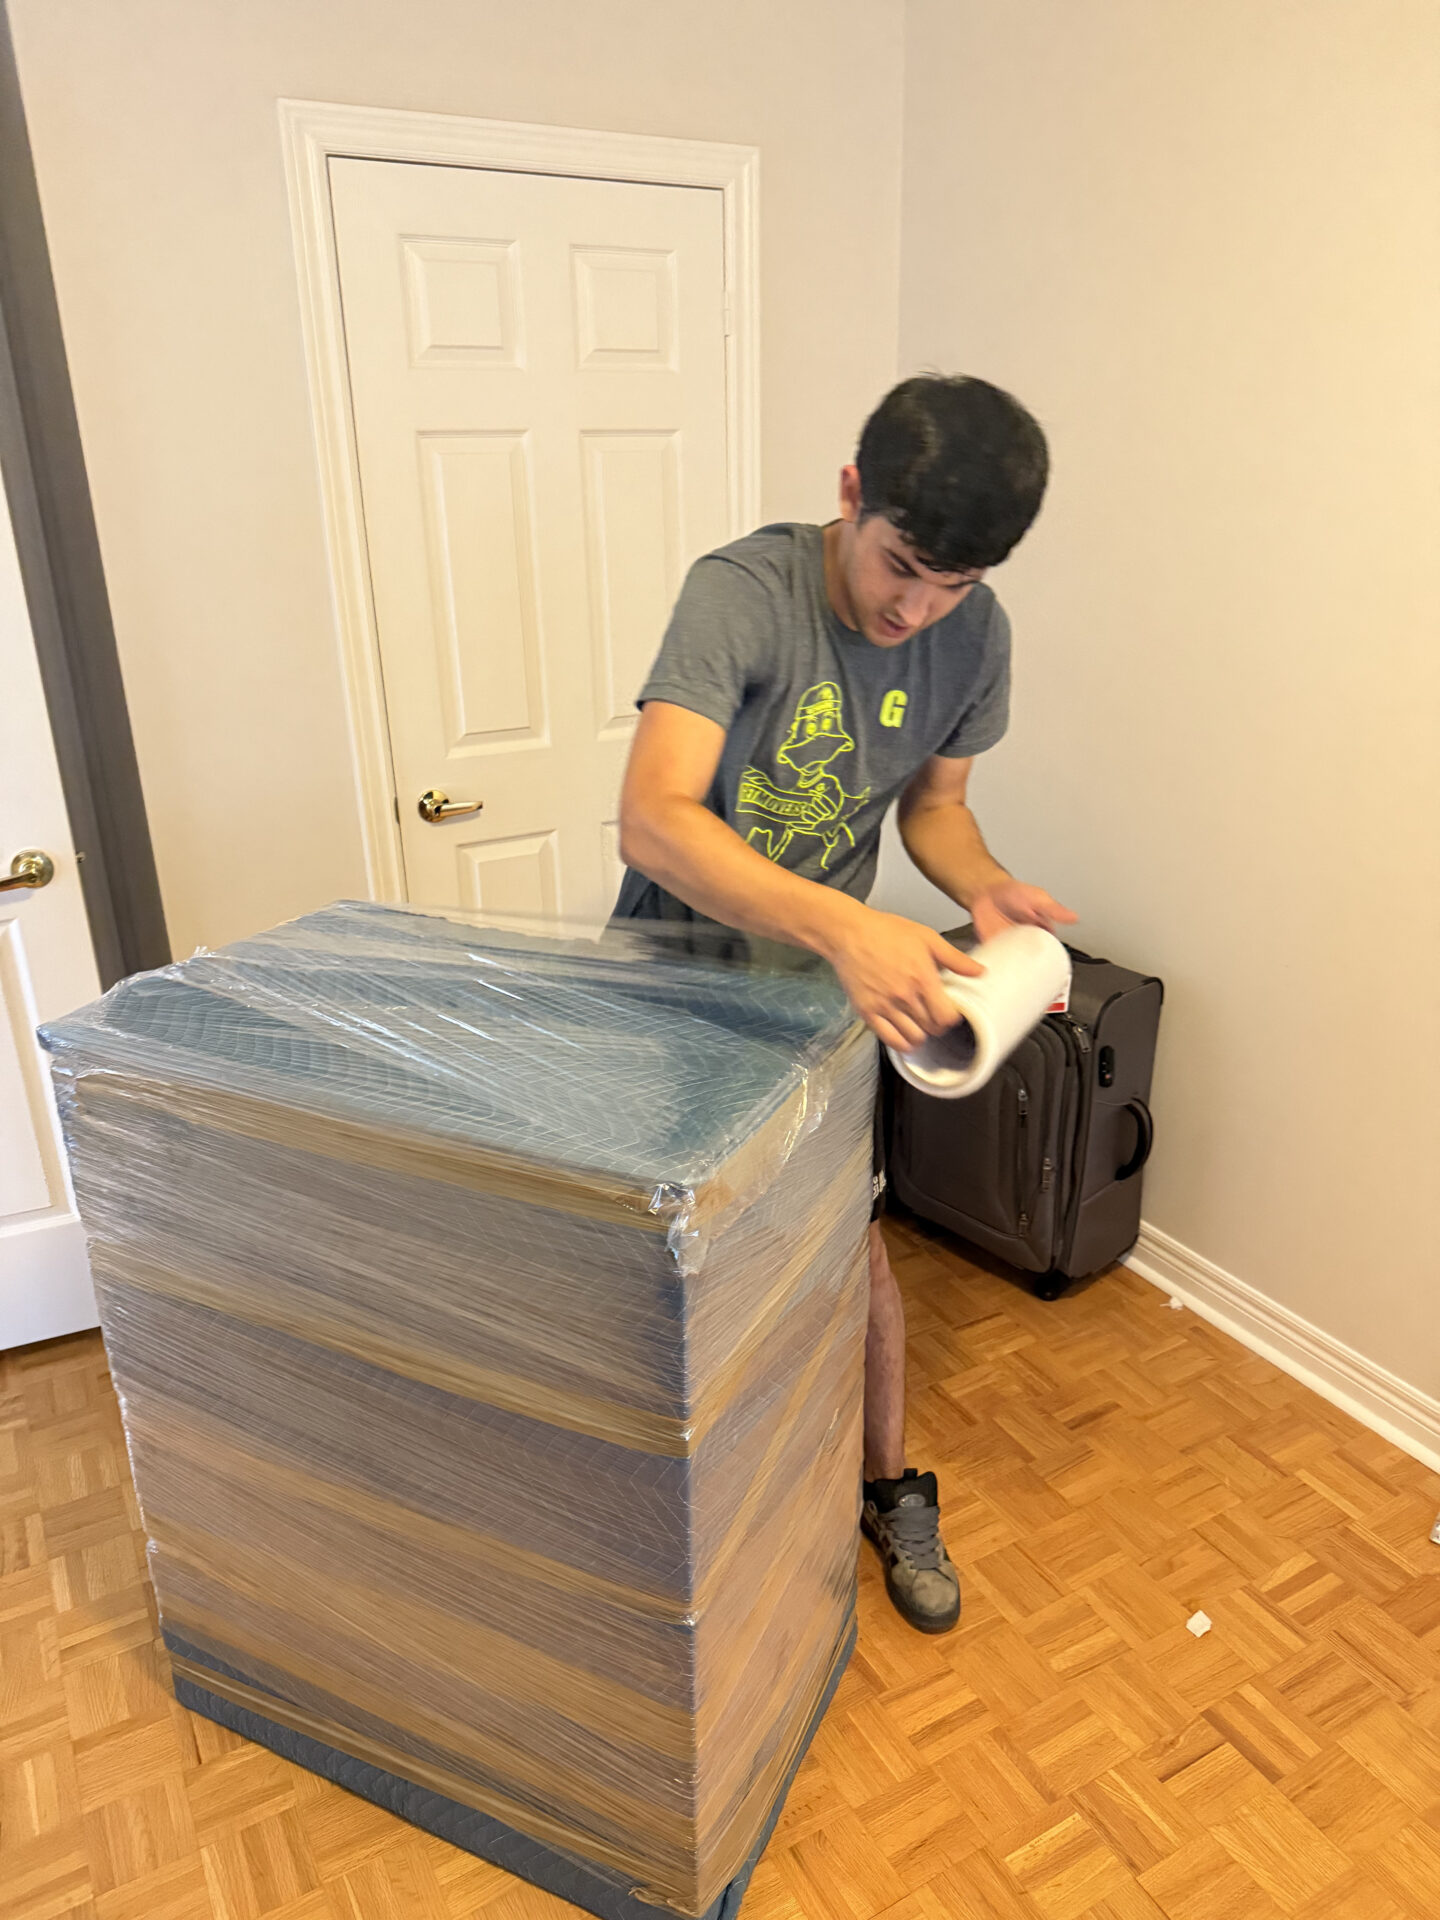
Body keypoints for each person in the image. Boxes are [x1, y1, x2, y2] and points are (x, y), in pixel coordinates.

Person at [613, 374, 1075, 1634]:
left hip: (825, 997)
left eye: (955, 587)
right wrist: (845, 924)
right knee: (663, 1257)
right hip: (669, 988)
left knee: (845, 1245)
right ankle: (663, 1494)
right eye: (903, 567)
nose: (914, 610)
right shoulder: (744, 595)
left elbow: (933, 807)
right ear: (851, 493)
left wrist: (986, 893)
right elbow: (655, 819)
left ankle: (886, 1487)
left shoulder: (977, 639)